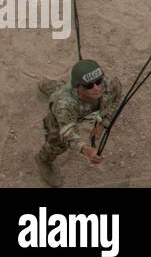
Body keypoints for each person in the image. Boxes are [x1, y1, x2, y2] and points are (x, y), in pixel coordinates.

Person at [35, 59, 122, 187]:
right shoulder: (64, 106)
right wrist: (87, 150)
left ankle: (53, 86)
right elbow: (67, 133)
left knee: (61, 90)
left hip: (81, 106)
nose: (96, 88)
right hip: (67, 111)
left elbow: (116, 100)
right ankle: (43, 160)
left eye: (99, 81)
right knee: (57, 142)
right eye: (88, 85)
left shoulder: (110, 85)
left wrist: (103, 123)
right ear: (78, 87)